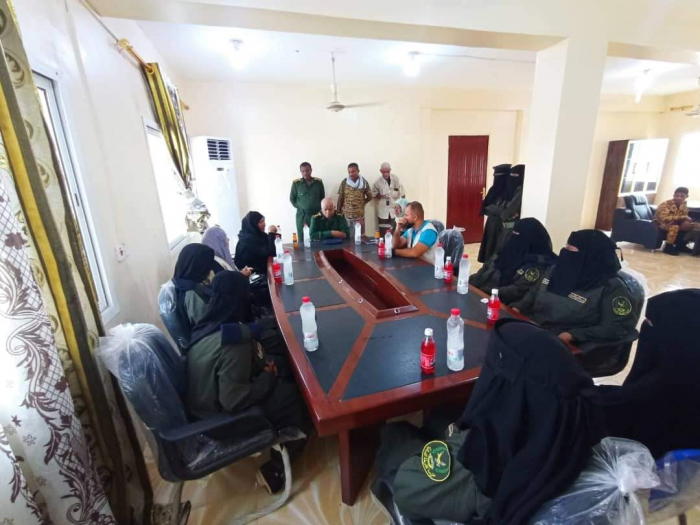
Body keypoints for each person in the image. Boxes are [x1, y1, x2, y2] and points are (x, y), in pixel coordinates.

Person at [372, 319, 605, 524]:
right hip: (532, 473)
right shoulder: (570, 420)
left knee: (396, 432)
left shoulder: (487, 455)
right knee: (441, 418)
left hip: (474, 487)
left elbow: (406, 486)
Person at [186, 271, 309, 493]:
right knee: (293, 396)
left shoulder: (206, 325)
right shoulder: (234, 344)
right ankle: (276, 471)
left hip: (203, 405)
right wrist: (267, 379)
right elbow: (234, 400)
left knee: (281, 365)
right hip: (218, 421)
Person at [598, 289, 700, 459]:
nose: (645, 328)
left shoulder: (658, 389)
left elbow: (611, 406)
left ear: (678, 333)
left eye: (650, 323)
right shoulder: (686, 372)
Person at [511, 229, 640, 346]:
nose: (565, 252)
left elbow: (616, 327)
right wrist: (519, 307)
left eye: (570, 249)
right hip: (534, 328)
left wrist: (574, 335)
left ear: (590, 255)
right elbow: (535, 291)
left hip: (563, 343)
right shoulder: (558, 270)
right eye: (565, 247)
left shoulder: (612, 288)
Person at [470, 217, 557, 305]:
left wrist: (488, 291)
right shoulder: (508, 250)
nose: (514, 237)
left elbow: (518, 290)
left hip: (507, 304)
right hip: (484, 295)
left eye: (519, 235)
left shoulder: (539, 263)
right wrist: (471, 282)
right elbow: (485, 268)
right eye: (514, 233)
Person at [171, 243, 218, 344]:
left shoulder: (182, 281)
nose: (210, 268)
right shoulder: (191, 294)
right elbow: (209, 327)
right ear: (198, 265)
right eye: (208, 264)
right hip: (207, 341)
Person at [477, 164, 511, 263]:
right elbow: (486, 207)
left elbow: (504, 210)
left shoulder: (509, 191)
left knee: (497, 249)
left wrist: (493, 209)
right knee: (489, 247)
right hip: (492, 223)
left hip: (502, 225)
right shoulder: (494, 189)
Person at [655, 187, 699, 256]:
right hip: (662, 224)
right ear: (673, 195)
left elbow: (684, 216)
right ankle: (668, 247)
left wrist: (686, 222)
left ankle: (682, 245)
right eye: (677, 195)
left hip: (677, 222)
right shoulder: (665, 204)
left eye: (682, 196)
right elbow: (664, 218)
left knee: (696, 226)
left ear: (686, 196)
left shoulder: (683, 205)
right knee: (674, 227)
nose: (679, 198)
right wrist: (683, 218)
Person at [289, 162, 325, 243]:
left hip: (316, 215)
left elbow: (322, 197)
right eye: (303, 171)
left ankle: (317, 251)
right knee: (302, 238)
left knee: (317, 237)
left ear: (311, 170)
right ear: (300, 172)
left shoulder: (318, 182)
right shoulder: (296, 184)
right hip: (302, 216)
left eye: (307, 170)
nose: (305, 173)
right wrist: (301, 206)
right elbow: (292, 198)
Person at [337, 162, 373, 234]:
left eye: (353, 171)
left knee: (360, 236)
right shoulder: (344, 182)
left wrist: (362, 203)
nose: (351, 174)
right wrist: (338, 212)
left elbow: (370, 196)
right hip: (347, 216)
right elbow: (341, 197)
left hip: (359, 216)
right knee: (347, 235)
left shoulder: (364, 182)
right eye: (349, 172)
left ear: (358, 171)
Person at [372, 162, 406, 236]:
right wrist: (382, 196)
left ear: (390, 170)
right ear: (380, 171)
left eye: (388, 171)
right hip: (383, 212)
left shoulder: (396, 179)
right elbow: (374, 194)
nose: (386, 174)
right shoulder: (377, 182)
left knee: (394, 232)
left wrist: (402, 207)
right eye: (384, 172)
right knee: (383, 233)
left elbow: (403, 194)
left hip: (394, 211)